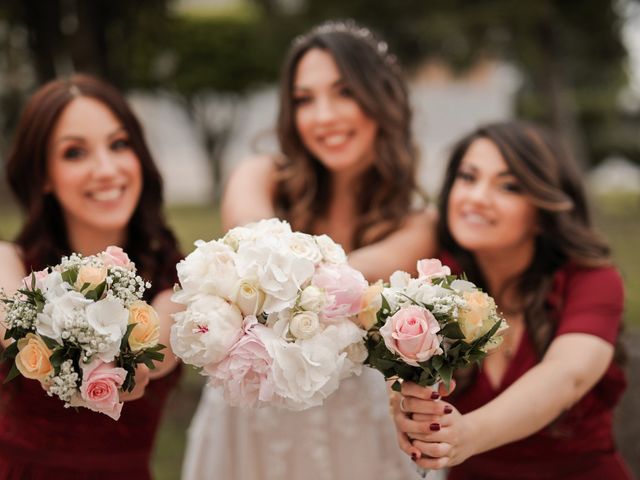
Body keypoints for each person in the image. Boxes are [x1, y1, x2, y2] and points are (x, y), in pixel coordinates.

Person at [182, 20, 436, 480]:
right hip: (250, 428)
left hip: (360, 436)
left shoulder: (417, 222)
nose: (323, 116)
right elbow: (254, 255)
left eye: (344, 92)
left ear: (382, 99)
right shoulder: (258, 176)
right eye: (304, 99)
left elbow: (341, 281)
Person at [392, 121, 632, 479]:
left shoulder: (592, 280)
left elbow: (567, 376)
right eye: (468, 177)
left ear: (543, 208)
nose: (476, 197)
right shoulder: (433, 279)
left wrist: (467, 434)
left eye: (508, 186)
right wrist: (403, 403)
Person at [0, 74, 183, 480]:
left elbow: (160, 350)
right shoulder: (7, 263)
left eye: (119, 145)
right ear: (43, 175)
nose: (106, 169)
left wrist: (134, 368)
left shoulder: (180, 277)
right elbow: (12, 324)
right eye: (74, 153)